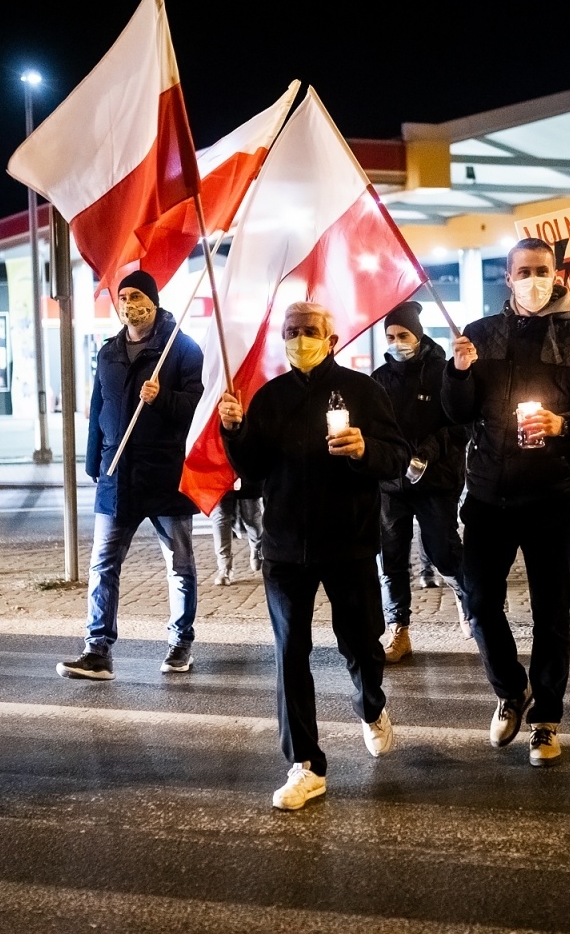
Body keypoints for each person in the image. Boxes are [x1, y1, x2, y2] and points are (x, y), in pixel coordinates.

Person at [218, 301, 409, 810]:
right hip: (285, 549)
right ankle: (305, 764)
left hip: (349, 542)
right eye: (291, 331)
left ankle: (370, 705)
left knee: (362, 645)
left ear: (331, 338)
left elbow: (396, 458)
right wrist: (234, 432)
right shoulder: (270, 396)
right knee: (289, 651)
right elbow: (252, 470)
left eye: (309, 330)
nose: (299, 339)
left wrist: (365, 450)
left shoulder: (363, 391)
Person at [443, 238, 570, 768]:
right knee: (479, 602)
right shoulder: (479, 334)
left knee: (550, 611)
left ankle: (546, 719)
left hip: (551, 496)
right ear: (507, 277)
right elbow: (456, 413)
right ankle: (510, 688)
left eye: (542, 271)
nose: (532, 280)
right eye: (523, 272)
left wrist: (563, 424)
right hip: (487, 495)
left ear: (557, 274)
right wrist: (458, 372)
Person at [59, 270, 204, 681]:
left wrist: (163, 398)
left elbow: (196, 406)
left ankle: (180, 643)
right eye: (122, 297)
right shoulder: (109, 351)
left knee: (180, 565)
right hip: (117, 475)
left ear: (153, 301)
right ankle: (97, 651)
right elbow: (98, 407)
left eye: (136, 295)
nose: (128, 304)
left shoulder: (181, 349)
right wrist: (94, 461)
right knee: (103, 565)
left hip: (165, 474)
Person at [371, 301, 467, 661]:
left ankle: (465, 594)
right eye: (390, 336)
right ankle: (398, 629)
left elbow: (461, 425)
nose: (397, 342)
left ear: (418, 335)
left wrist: (428, 451)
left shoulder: (443, 373)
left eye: (403, 335)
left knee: (442, 551)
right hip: (391, 484)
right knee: (391, 559)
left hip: (435, 481)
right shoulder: (379, 379)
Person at [208, 477, 263, 584]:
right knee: (220, 514)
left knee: (251, 516)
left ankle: (257, 549)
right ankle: (224, 567)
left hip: (246, 470)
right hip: (220, 471)